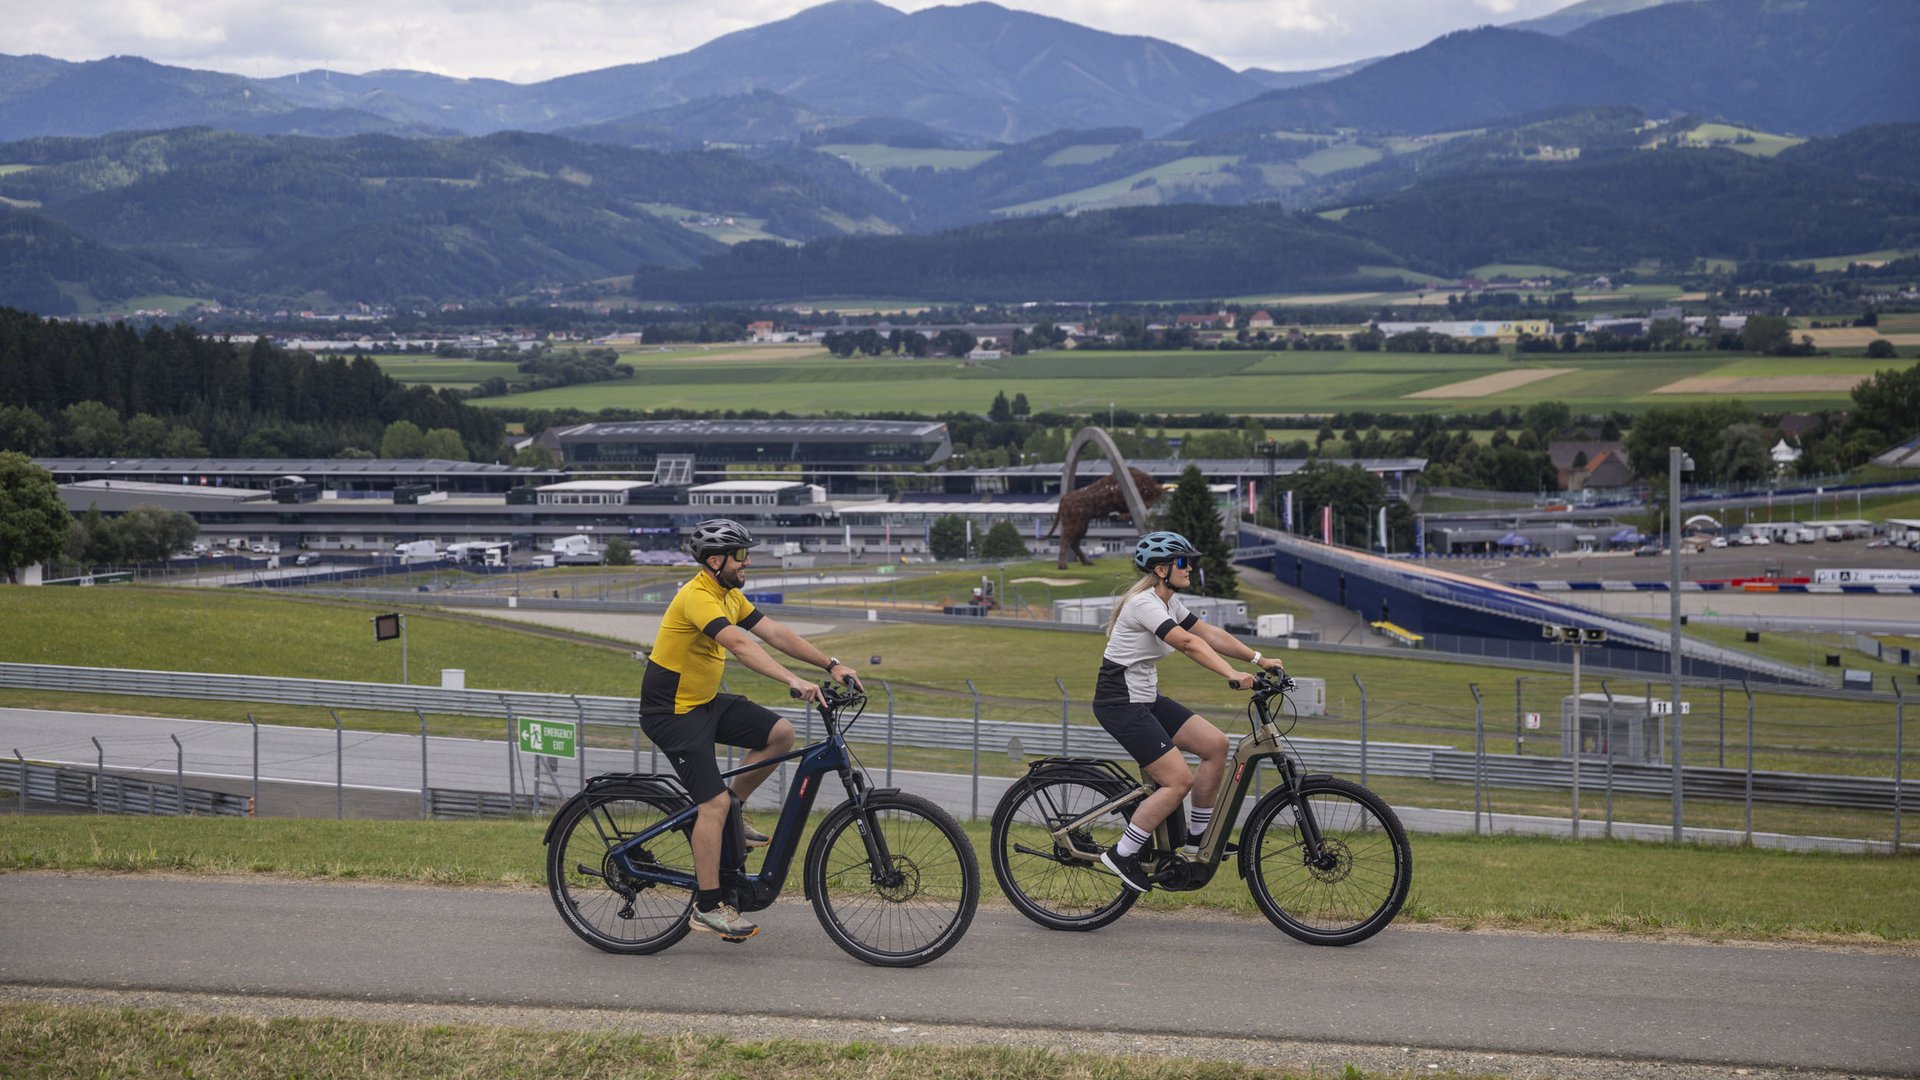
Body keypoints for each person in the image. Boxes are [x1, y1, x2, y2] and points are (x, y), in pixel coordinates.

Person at [640, 517, 863, 942]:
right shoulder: (698, 597)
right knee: (712, 804)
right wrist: (792, 681)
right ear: (715, 560)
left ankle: (734, 810)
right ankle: (707, 907)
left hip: (702, 702)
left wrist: (831, 665)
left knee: (779, 734)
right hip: (670, 711)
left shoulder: (728, 595)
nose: (747, 562)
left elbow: (773, 632)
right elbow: (742, 646)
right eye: (740, 555)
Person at [1092, 530, 1286, 893]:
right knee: (1177, 781)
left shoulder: (1168, 603)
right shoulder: (1143, 604)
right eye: (1184, 562)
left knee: (1215, 745)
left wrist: (1257, 659)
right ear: (1162, 569)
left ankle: (1198, 842)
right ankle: (1122, 854)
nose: (1191, 568)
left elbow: (1208, 633)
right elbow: (1186, 642)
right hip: (1120, 704)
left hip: (1145, 698)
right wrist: (1231, 674)